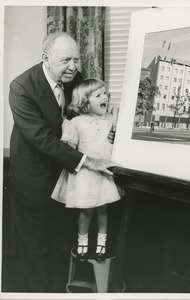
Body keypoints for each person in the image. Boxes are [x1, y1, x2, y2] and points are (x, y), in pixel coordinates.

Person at [8, 32, 117, 292]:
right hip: (33, 179)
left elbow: (86, 112)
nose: (74, 67)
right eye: (66, 60)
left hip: (66, 179)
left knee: (59, 246)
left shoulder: (75, 79)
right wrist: (88, 161)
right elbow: (43, 140)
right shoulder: (21, 87)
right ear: (46, 59)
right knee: (34, 251)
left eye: (77, 59)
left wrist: (106, 129)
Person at [51, 78, 121, 262]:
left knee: (103, 209)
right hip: (85, 174)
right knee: (87, 210)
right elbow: (68, 150)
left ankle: (101, 243)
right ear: (84, 102)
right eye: (98, 95)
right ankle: (82, 241)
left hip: (104, 174)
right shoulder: (75, 123)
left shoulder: (109, 121)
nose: (105, 96)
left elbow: (116, 135)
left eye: (105, 93)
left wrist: (116, 128)